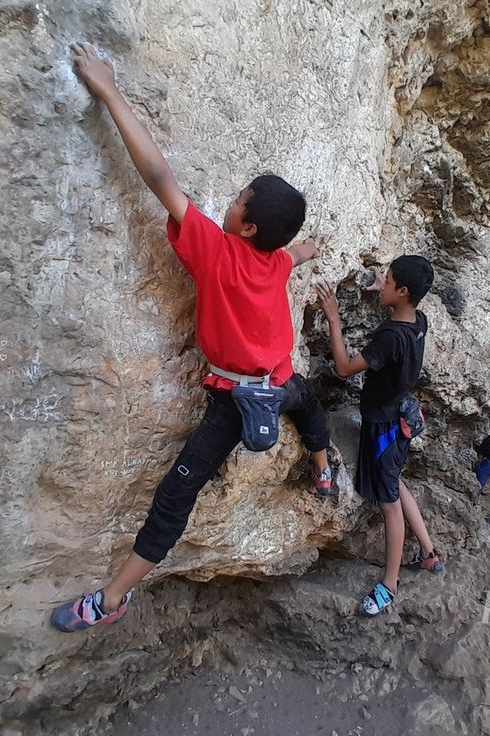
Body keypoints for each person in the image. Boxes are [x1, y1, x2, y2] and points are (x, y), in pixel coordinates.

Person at [50, 44, 333, 633]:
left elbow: (158, 176)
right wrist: (309, 249)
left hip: (236, 404)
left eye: (237, 201)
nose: (226, 202)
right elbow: (296, 252)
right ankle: (324, 464)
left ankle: (111, 600)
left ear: (247, 226)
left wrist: (108, 91)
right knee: (306, 404)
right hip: (279, 385)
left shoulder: (218, 250)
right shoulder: (276, 261)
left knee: (175, 497)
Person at [317, 256, 443, 617]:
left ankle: (389, 584)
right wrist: (381, 293)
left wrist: (334, 319)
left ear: (403, 291)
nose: (380, 283)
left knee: (389, 504)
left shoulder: (389, 337)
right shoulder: (419, 321)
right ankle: (428, 550)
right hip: (401, 414)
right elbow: (398, 330)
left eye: (386, 281)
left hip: (384, 425)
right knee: (394, 481)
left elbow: (343, 368)